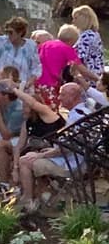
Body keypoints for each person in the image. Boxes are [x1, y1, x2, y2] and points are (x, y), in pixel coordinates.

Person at [16, 81, 98, 210]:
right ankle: (43, 195)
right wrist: (48, 151)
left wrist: (40, 155)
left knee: (25, 161)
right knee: (34, 155)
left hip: (72, 165)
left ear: (73, 97)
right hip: (80, 160)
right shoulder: (84, 112)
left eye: (62, 95)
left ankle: (28, 201)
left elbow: (66, 148)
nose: (59, 98)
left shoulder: (76, 116)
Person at [34, 24, 92, 108]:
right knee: (52, 109)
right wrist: (97, 78)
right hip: (50, 84)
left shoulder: (46, 44)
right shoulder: (67, 49)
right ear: (72, 40)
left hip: (37, 81)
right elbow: (82, 69)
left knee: (39, 106)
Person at [72, 4, 104, 75]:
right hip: (97, 71)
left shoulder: (86, 36)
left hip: (89, 75)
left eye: (75, 18)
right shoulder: (95, 33)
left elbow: (81, 59)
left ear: (83, 19)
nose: (73, 21)